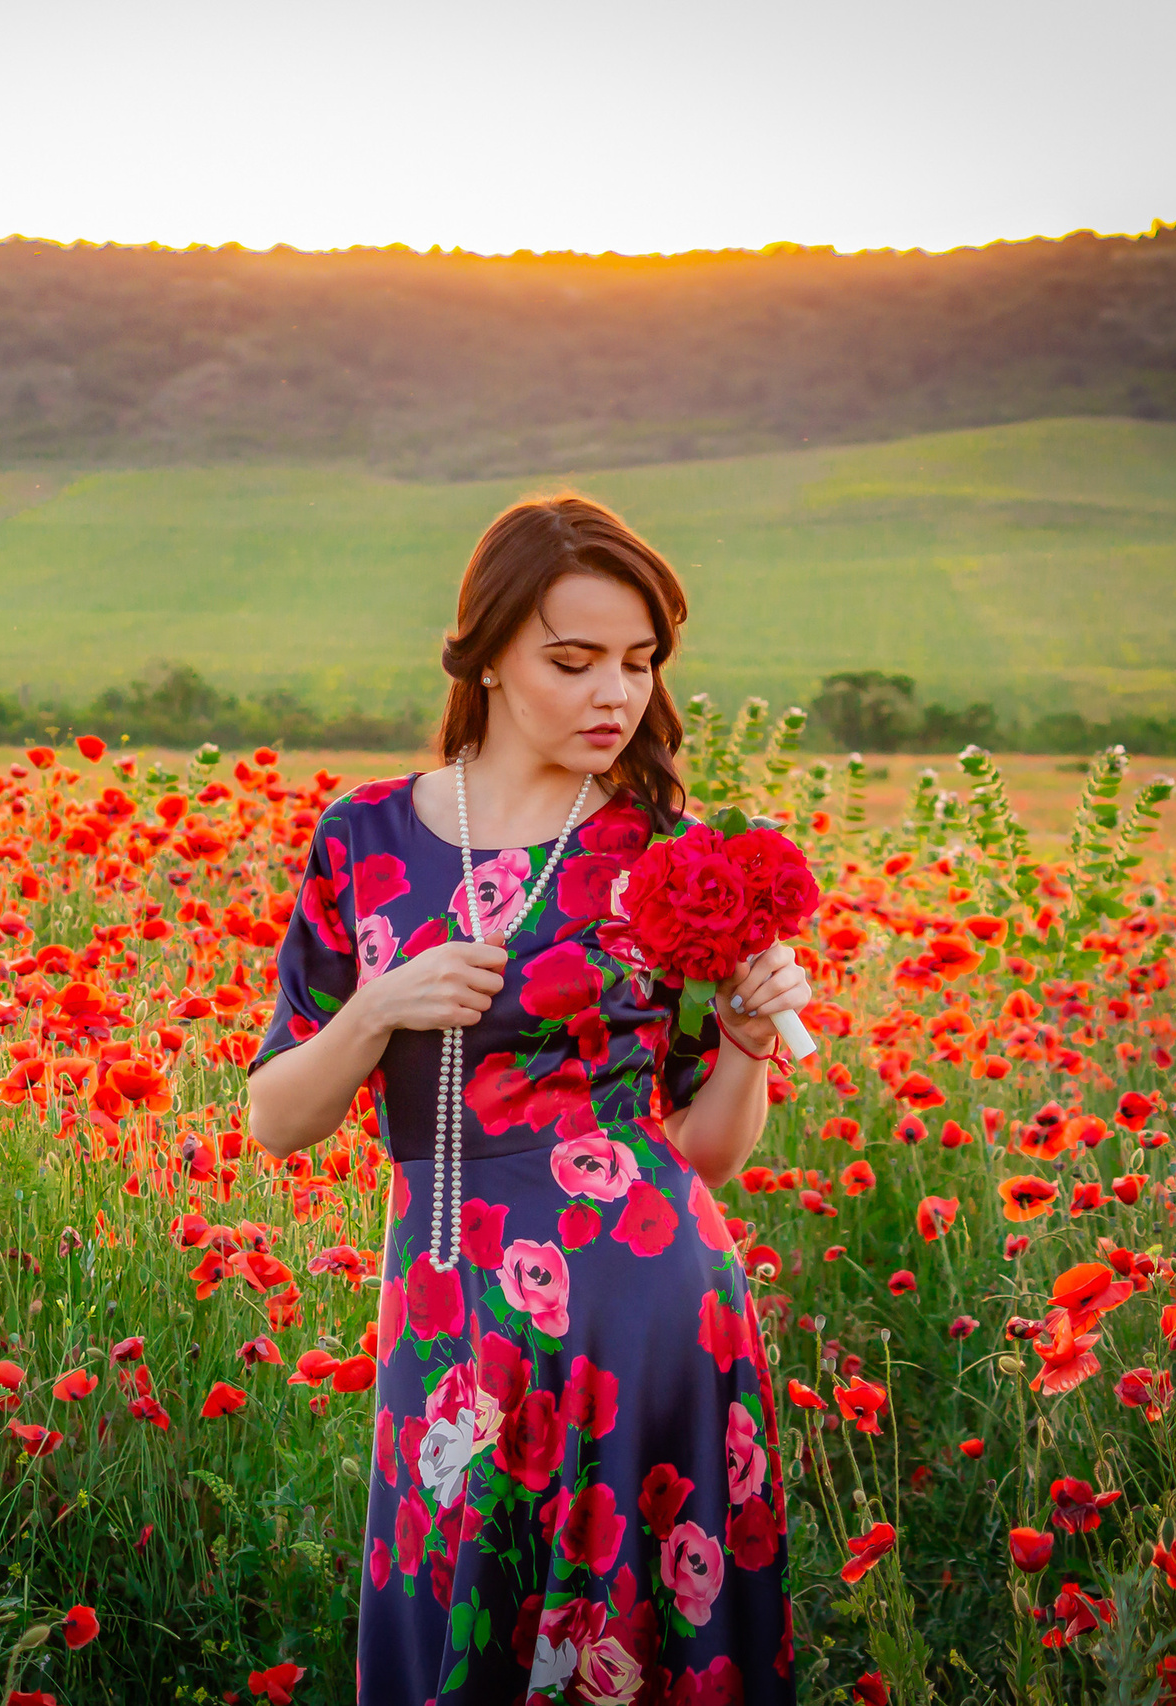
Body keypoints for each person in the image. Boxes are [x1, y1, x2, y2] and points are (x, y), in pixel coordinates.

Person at [245, 492, 809, 1704]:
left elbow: (700, 1152)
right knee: (455, 1605)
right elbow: (277, 1119)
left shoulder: (666, 850)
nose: (615, 692)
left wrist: (749, 1042)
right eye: (574, 660)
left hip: (645, 1308)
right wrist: (377, 1006)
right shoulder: (368, 838)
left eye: (638, 660)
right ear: (489, 654)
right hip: (444, 1306)